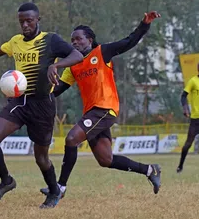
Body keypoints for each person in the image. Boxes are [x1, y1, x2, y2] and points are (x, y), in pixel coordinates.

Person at [0, 2, 83, 208]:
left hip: (43, 105)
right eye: (21, 21)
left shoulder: (50, 40)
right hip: (20, 102)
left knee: (41, 158)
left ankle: (54, 191)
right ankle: (7, 181)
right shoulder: (16, 42)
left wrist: (55, 65)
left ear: (38, 20)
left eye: (29, 20)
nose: (25, 25)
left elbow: (77, 55)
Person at [41, 11, 162, 199]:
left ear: (90, 39)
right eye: (72, 40)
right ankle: (150, 170)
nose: (74, 43)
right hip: (92, 113)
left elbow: (129, 41)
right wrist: (35, 93)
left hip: (105, 108)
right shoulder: (73, 65)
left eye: (78, 39)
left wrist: (144, 24)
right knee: (106, 159)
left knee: (72, 139)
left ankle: (60, 187)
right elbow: (57, 90)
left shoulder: (102, 52)